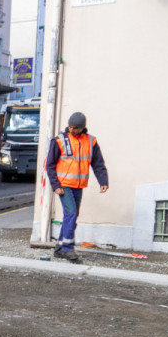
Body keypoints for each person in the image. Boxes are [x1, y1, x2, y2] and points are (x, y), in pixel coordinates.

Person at [46, 111, 108, 262]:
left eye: (75, 128)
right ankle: (67, 249)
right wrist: (55, 185)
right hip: (64, 185)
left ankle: (60, 247)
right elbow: (50, 165)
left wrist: (103, 181)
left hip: (79, 186)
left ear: (82, 128)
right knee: (71, 213)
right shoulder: (59, 140)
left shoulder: (91, 141)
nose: (71, 130)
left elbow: (98, 164)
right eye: (70, 126)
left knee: (72, 216)